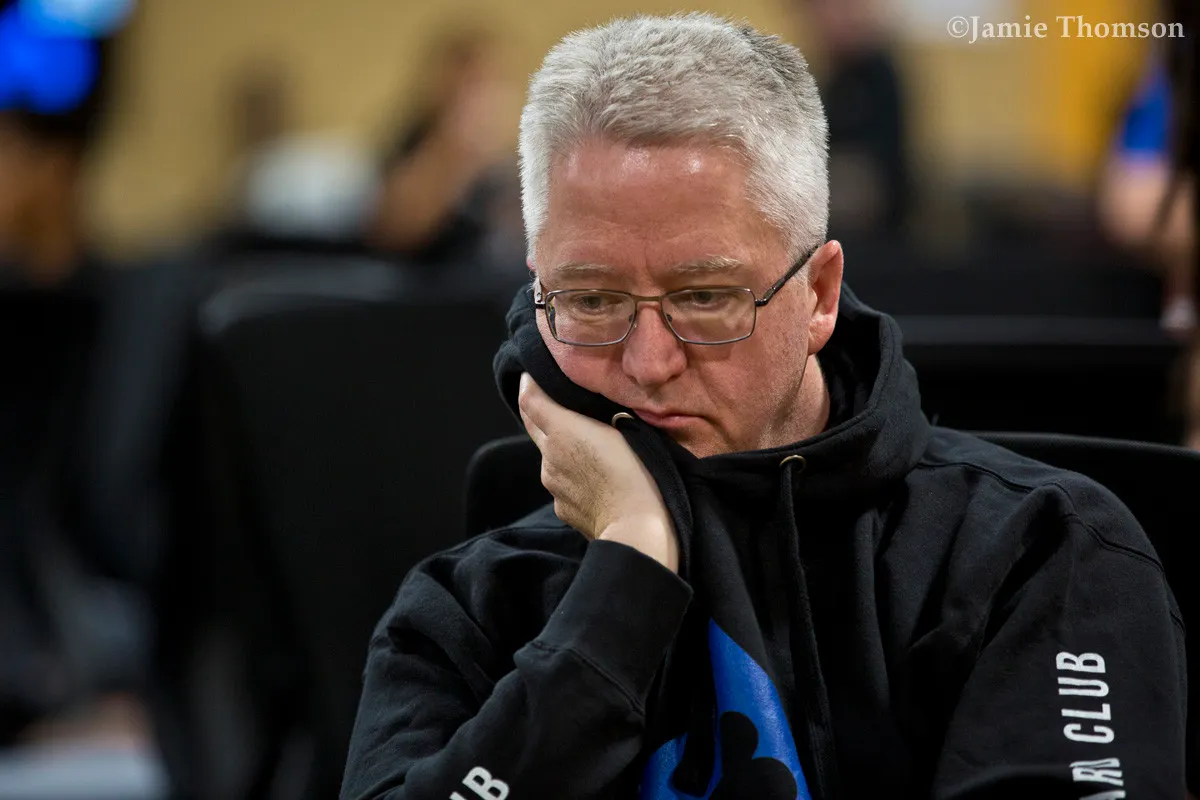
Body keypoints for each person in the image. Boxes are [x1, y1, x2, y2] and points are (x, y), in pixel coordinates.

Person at [341, 14, 1186, 799]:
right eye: (591, 301)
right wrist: (625, 584)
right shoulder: (472, 602)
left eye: (705, 297)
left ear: (819, 294)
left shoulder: (1034, 553)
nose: (649, 363)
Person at [366, 27, 523, 269]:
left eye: (495, 81)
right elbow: (393, 233)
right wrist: (455, 153)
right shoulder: (419, 148)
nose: (484, 98)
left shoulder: (516, 157)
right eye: (473, 83)